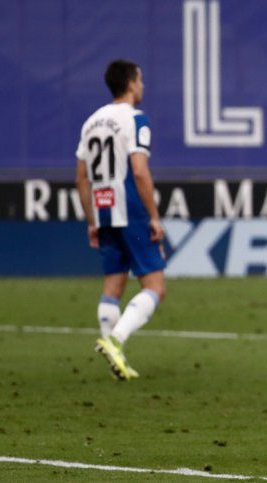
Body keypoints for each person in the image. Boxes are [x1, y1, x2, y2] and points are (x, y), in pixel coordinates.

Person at [74, 59, 166, 380]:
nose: (142, 85)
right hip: (131, 212)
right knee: (155, 286)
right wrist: (153, 217)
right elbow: (139, 170)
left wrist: (91, 221)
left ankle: (116, 361)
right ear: (130, 83)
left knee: (113, 285)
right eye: (140, 79)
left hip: (104, 210)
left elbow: (81, 178)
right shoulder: (136, 119)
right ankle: (115, 341)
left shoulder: (91, 122)